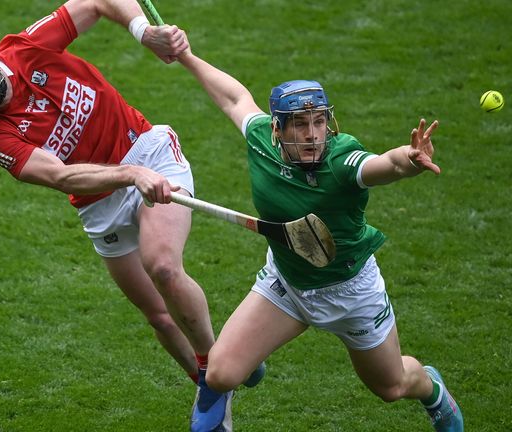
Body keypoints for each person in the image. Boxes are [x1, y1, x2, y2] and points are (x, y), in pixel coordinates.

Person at [0, 1, 261, 429]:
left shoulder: (24, 49)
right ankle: (217, 370)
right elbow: (60, 177)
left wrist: (144, 33)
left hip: (147, 151)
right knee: (157, 314)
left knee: (163, 267)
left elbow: (100, 2)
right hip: (99, 199)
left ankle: (216, 381)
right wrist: (128, 176)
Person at [175, 45, 464, 432]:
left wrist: (408, 161)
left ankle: (432, 389)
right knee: (221, 374)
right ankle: (244, 361)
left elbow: (381, 164)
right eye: (299, 124)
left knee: (392, 386)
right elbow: (233, 97)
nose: (312, 134)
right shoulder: (262, 139)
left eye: (318, 121)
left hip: (350, 291)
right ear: (277, 128)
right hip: (288, 282)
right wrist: (186, 55)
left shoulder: (341, 160)